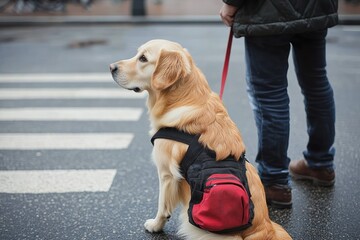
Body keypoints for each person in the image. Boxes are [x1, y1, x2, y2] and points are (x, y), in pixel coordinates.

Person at [219, 0, 338, 208]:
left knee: (269, 94)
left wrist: (232, 3)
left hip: (267, 9)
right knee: (316, 84)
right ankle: (320, 164)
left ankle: (274, 182)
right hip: (317, 4)